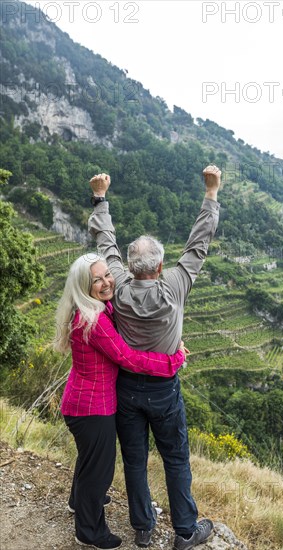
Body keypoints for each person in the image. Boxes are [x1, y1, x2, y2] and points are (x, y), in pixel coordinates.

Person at [88, 165, 221, 550]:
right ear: (161, 267)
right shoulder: (175, 287)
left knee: (134, 460)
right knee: (176, 460)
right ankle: (184, 531)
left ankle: (142, 528)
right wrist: (210, 195)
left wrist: (100, 199)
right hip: (164, 389)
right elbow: (198, 245)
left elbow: (106, 244)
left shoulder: (121, 288)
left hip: (126, 388)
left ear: (130, 267)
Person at [54, 253, 186, 550]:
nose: (105, 282)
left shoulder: (98, 307)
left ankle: (79, 502)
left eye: (106, 275)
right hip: (91, 408)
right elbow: (127, 357)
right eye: (96, 280)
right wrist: (171, 360)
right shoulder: (95, 319)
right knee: (99, 471)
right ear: (83, 286)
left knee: (90, 461)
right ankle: (88, 531)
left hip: (82, 402)